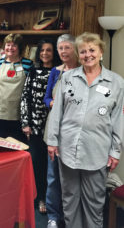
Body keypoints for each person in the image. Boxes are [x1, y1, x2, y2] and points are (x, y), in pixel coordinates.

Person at [46, 32, 124, 228]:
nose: (88, 54)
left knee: (94, 203)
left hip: (97, 152)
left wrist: (115, 151)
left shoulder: (116, 83)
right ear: (78, 54)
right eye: (83, 51)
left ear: (100, 52)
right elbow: (57, 112)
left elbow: (118, 119)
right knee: (69, 201)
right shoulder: (68, 78)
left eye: (92, 50)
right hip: (68, 150)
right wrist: (53, 141)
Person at [20, 39, 59, 214]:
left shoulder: (59, 72)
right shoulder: (33, 71)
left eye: (49, 50)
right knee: (36, 163)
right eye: (42, 50)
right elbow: (25, 97)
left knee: (50, 166)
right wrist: (25, 123)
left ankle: (48, 198)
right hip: (34, 127)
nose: (45, 53)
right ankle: (37, 197)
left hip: (52, 126)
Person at [44, 34, 78, 228]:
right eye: (60, 48)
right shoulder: (56, 73)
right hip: (54, 131)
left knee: (72, 179)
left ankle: (70, 216)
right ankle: (53, 217)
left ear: (74, 49)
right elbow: (47, 98)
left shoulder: (83, 72)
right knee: (53, 177)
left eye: (67, 47)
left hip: (74, 132)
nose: (63, 51)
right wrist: (52, 103)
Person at [0, 34, 33, 141]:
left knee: (17, 148)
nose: (10, 48)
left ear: (20, 48)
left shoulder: (28, 65)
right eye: (8, 45)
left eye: (14, 45)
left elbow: (30, 92)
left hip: (17, 116)